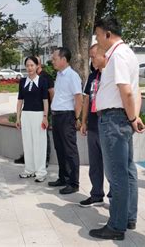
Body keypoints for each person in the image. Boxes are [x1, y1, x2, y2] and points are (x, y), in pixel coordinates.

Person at [89, 18, 144, 241]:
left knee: (117, 174)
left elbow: (127, 91)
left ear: (108, 34)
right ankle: (128, 217)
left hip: (114, 119)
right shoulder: (128, 53)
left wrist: (132, 117)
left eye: (98, 35)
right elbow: (135, 90)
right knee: (127, 171)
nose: (97, 40)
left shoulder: (118, 55)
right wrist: (133, 117)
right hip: (120, 118)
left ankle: (116, 225)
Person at [48, 47, 83, 195]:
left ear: (63, 59)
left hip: (67, 116)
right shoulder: (59, 75)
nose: (52, 61)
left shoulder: (72, 76)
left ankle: (73, 183)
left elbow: (78, 97)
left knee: (70, 150)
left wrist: (76, 117)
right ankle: (63, 177)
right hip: (56, 116)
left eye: (55, 58)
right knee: (59, 148)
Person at [79, 40, 108, 207]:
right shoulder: (92, 76)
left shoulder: (111, 75)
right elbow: (87, 99)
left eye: (93, 56)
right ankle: (96, 194)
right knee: (95, 163)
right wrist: (83, 121)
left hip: (107, 125)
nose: (91, 60)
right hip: (93, 126)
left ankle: (114, 198)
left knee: (111, 166)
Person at [14, 56, 55, 166]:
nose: (29, 68)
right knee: (27, 143)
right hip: (26, 115)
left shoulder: (43, 80)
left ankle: (40, 171)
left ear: (37, 66)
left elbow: (45, 100)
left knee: (39, 143)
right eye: (27, 66)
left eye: (32, 65)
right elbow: (20, 101)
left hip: (39, 114)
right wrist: (18, 118)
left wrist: (45, 117)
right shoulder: (22, 82)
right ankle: (29, 169)